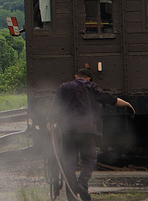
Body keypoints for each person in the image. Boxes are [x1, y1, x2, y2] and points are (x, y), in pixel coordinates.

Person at [47, 68, 135, 201]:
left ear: (75, 76)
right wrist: (126, 104)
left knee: (69, 162)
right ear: (88, 79)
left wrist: (50, 121)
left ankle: (71, 196)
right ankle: (82, 184)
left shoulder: (64, 87)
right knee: (90, 158)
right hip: (86, 130)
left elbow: (56, 105)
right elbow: (108, 98)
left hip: (67, 130)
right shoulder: (90, 87)